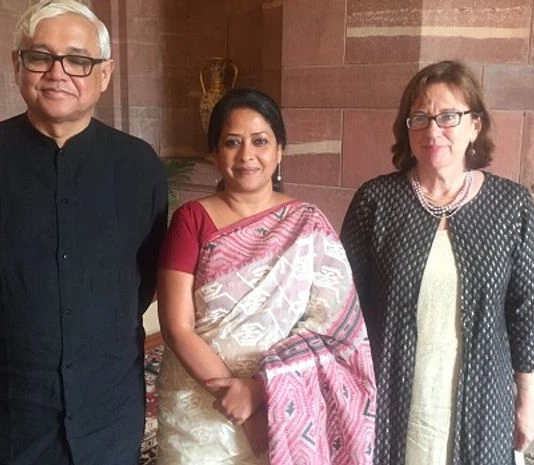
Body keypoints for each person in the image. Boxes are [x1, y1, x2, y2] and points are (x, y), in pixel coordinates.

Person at [0, 1, 168, 464]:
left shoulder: (140, 166)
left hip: (107, 413)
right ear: (17, 66)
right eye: (40, 57)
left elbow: (145, 276)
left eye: (78, 59)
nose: (58, 72)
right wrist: (8, 325)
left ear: (104, 74)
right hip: (2, 417)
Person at [340, 60, 534, 465]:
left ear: (476, 125)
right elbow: (344, 309)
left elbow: (527, 310)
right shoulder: (376, 202)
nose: (432, 131)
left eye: (448, 116)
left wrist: (528, 400)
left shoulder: (511, 205)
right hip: (391, 396)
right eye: (419, 118)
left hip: (483, 402)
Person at [155, 88, 376, 465]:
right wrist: (235, 399)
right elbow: (176, 326)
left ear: (279, 151)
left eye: (260, 141)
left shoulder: (308, 223)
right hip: (200, 406)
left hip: (285, 405)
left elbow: (334, 327)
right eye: (232, 142)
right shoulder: (191, 219)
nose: (247, 156)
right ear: (213, 152)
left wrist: (259, 394)